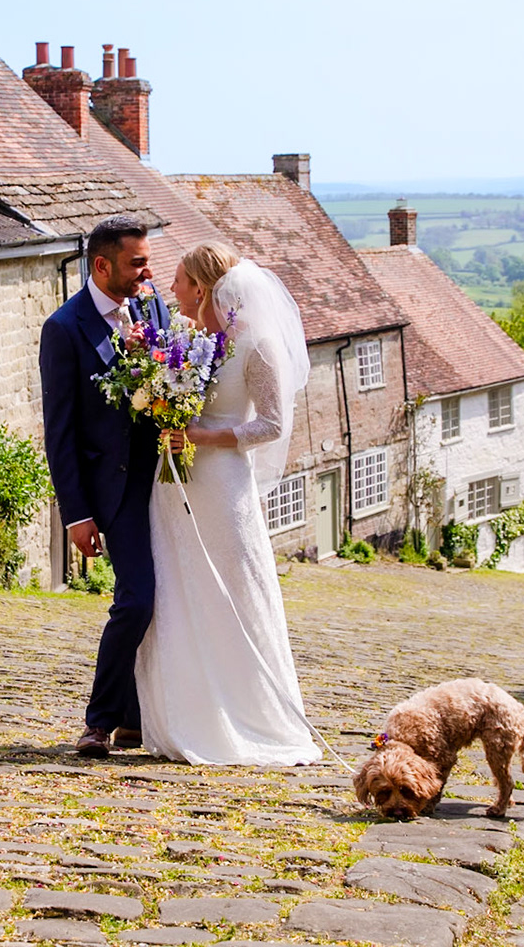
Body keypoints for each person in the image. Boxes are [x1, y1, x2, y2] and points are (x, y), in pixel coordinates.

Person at [134, 241, 320, 765]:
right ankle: (181, 714)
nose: (172, 290)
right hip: (173, 484)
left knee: (234, 591)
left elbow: (273, 424)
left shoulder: (256, 344)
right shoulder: (189, 341)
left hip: (222, 484)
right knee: (177, 586)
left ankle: (248, 713)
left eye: (180, 280)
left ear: (202, 286)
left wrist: (201, 437)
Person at [38, 215, 172, 757]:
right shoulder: (64, 329)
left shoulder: (152, 305)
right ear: (102, 265)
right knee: (136, 599)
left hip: (165, 481)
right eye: (137, 262)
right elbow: (59, 430)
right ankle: (99, 720)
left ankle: (137, 719)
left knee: (164, 600)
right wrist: (77, 514)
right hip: (110, 491)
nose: (148, 271)